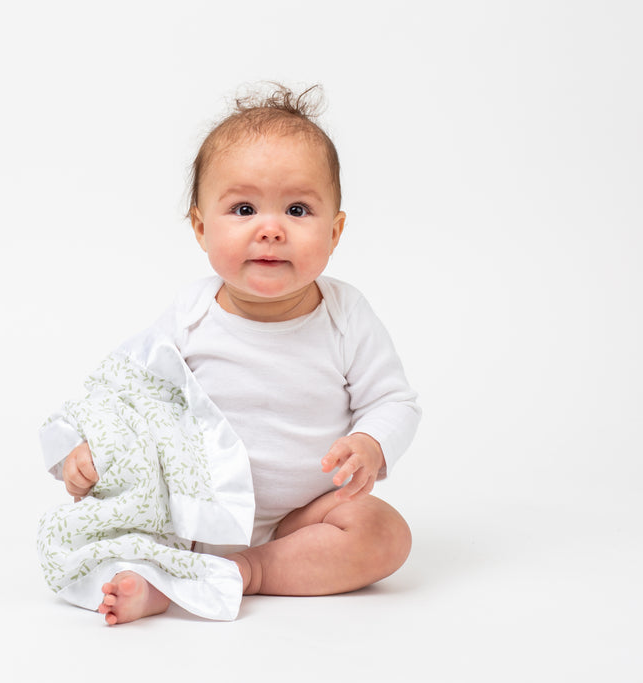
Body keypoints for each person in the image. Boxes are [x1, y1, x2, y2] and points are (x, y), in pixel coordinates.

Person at [40, 84, 420, 626]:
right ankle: (165, 578)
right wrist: (80, 450)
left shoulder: (346, 316)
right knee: (126, 528)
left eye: (298, 209)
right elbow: (124, 396)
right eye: (244, 209)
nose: (271, 229)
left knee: (384, 533)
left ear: (335, 231)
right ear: (201, 227)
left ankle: (247, 571)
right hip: (194, 515)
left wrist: (370, 443)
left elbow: (394, 401)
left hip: (300, 522)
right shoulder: (190, 315)